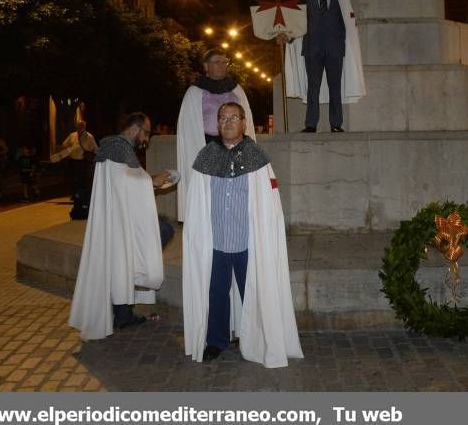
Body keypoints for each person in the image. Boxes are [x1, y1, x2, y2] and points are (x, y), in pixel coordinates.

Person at [183, 102, 303, 367]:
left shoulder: (257, 159)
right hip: (215, 242)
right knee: (215, 293)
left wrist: (266, 237)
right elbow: (196, 203)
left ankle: (256, 337)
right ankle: (216, 340)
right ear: (217, 124)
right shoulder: (206, 157)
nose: (227, 123)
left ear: (244, 123)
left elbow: (270, 205)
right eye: (223, 118)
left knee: (256, 292)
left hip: (249, 242)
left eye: (233, 117)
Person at [69, 113, 171, 340]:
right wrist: (151, 181)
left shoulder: (113, 146)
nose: (146, 138)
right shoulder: (119, 148)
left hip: (117, 218)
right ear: (135, 130)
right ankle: (127, 301)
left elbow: (126, 182)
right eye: (146, 132)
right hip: (119, 221)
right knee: (160, 233)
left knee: (130, 257)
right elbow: (127, 183)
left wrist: (150, 181)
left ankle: (124, 310)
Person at [282, 0, 365, 133]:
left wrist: (346, 47)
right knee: (313, 87)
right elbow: (296, 23)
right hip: (312, 50)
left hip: (335, 50)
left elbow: (349, 26)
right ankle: (311, 124)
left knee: (335, 87)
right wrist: (287, 36)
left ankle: (336, 124)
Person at [177, 49, 255, 222]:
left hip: (235, 145)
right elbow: (188, 124)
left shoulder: (236, 89)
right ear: (206, 66)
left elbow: (245, 117)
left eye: (224, 62)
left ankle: (233, 217)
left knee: (234, 183)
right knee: (210, 187)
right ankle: (208, 218)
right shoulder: (195, 91)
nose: (221, 65)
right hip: (206, 143)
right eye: (217, 62)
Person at [62, 120, 98, 198]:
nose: (80, 127)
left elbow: (95, 149)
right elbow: (65, 145)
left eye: (82, 125)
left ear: (85, 127)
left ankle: (81, 194)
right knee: (72, 178)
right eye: (79, 125)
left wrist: (92, 156)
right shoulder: (72, 135)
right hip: (72, 160)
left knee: (82, 179)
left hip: (83, 161)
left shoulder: (89, 137)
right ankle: (74, 194)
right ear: (77, 126)